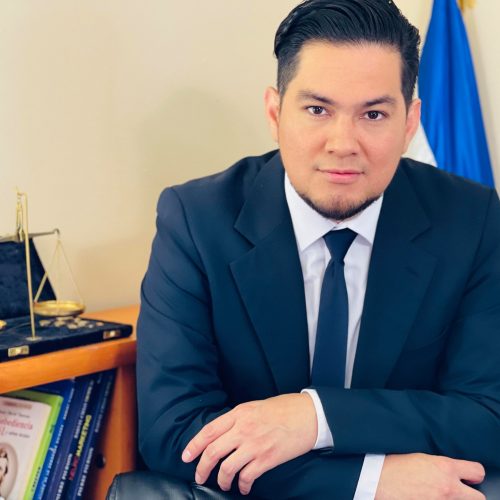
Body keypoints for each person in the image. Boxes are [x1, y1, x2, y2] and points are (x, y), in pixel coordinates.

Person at [136, 0, 500, 498]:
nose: (342, 143)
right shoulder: (196, 220)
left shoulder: (472, 219)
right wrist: (368, 483)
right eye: (317, 110)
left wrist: (315, 416)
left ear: (410, 123)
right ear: (274, 112)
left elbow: (488, 414)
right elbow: (172, 429)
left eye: (373, 114)